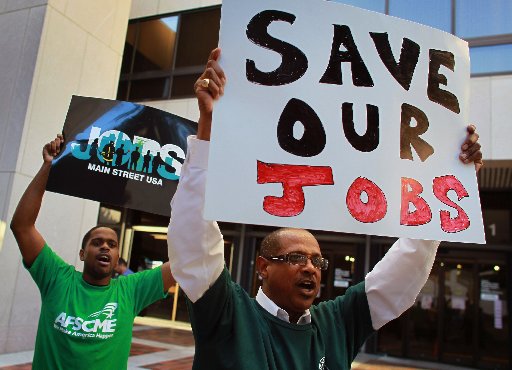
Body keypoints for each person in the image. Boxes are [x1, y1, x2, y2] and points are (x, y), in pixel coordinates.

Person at [167, 48, 483, 369]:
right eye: (296, 258)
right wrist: (208, 128)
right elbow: (194, 244)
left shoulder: (336, 323)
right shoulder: (229, 314)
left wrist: (448, 173)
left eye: (317, 261)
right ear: (262, 267)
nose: (311, 268)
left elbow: (399, 276)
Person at [9, 134, 175, 370]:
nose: (105, 246)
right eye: (97, 242)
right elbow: (22, 227)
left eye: (112, 244)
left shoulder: (131, 291)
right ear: (82, 253)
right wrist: (47, 166)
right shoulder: (57, 279)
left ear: (118, 256)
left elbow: (186, 260)